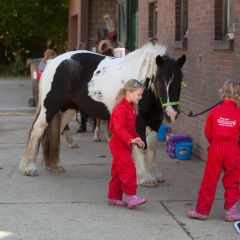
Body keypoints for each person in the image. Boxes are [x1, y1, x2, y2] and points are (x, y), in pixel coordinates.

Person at [188, 80, 240, 221]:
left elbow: (207, 132)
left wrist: (215, 144)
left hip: (216, 147)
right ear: (238, 96)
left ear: (222, 93)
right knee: (233, 179)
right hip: (232, 148)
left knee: (209, 179)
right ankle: (231, 212)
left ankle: (202, 211)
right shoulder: (238, 113)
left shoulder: (214, 111)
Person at [108, 79, 148, 208]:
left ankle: (114, 198)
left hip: (125, 144)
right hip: (119, 144)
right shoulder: (120, 109)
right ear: (129, 93)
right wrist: (130, 139)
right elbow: (119, 129)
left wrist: (137, 138)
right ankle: (131, 197)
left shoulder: (131, 108)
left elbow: (131, 129)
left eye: (141, 94)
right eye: (139, 94)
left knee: (118, 171)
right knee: (128, 169)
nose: (140, 97)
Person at [75, 42, 96, 133]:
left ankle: (94, 125)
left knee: (93, 105)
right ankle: (83, 125)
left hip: (91, 84)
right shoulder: (78, 59)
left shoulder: (93, 58)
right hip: (82, 84)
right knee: (82, 106)